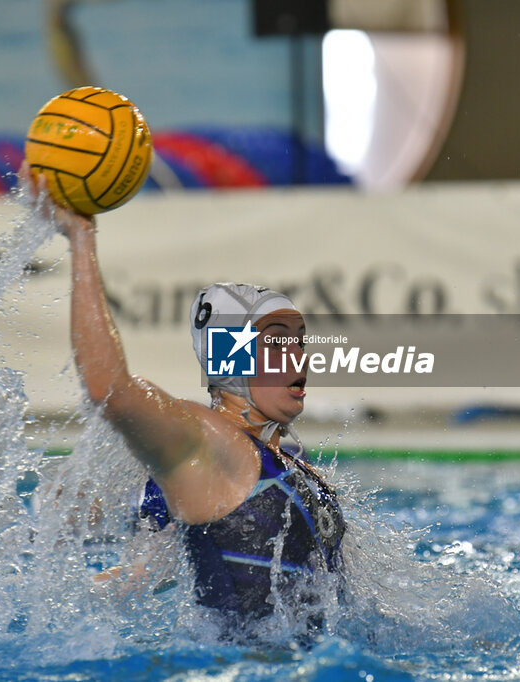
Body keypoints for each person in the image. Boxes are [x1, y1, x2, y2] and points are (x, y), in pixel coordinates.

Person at [34, 170, 346, 630]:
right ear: (230, 358)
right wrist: (82, 236)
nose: (298, 356)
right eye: (277, 342)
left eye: (300, 341)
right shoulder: (209, 444)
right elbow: (111, 392)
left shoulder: (286, 457)